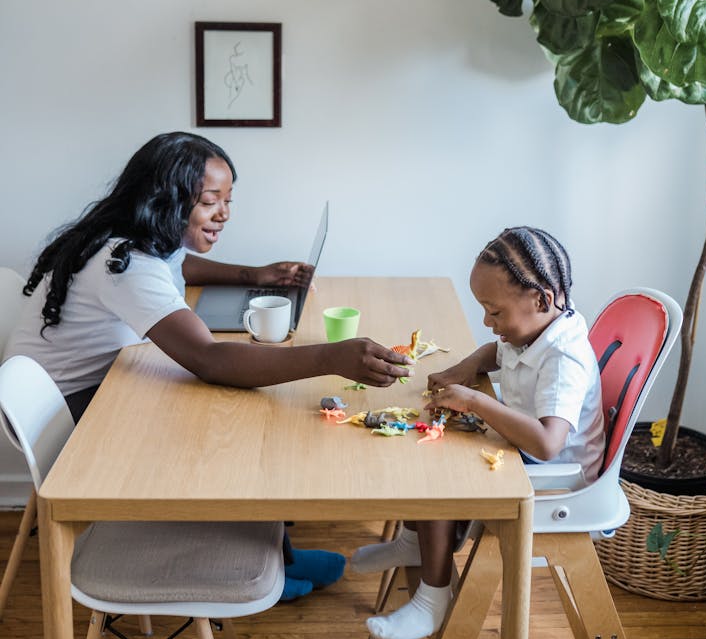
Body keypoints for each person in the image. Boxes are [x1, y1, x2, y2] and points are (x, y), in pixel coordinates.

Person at [5, 130, 414, 599]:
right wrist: (330, 357)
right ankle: (252, 566)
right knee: (231, 422)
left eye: (228, 200)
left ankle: (281, 555)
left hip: (85, 389)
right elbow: (209, 358)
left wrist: (254, 275)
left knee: (234, 408)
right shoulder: (125, 265)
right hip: (67, 418)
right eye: (210, 201)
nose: (224, 214)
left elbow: (179, 267)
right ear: (167, 201)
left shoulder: (135, 237)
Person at [349, 225, 604, 639]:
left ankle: (434, 598)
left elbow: (547, 442)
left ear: (539, 299)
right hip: (530, 454)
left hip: (553, 477)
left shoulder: (564, 359)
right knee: (427, 435)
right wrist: (463, 369)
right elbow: (496, 352)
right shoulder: (539, 324)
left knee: (440, 471)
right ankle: (414, 540)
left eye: (495, 312)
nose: (487, 322)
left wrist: (477, 402)